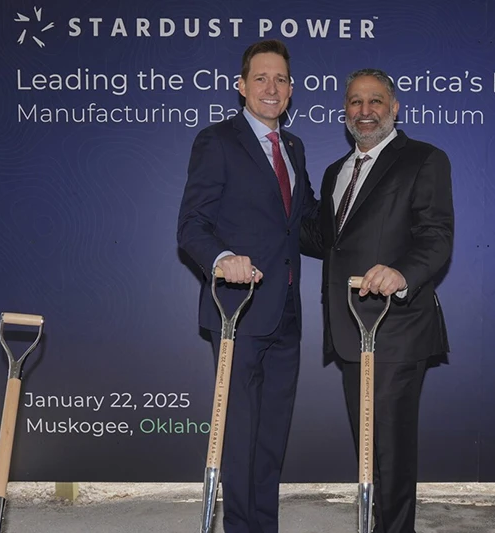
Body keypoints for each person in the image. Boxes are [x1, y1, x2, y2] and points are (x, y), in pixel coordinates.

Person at [301, 68, 454, 533]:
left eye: (375, 101)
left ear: (394, 107)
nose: (364, 111)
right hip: (351, 327)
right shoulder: (335, 171)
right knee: (369, 450)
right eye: (355, 102)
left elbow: (436, 236)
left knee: (390, 451)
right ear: (344, 110)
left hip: (397, 326)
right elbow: (323, 239)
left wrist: (402, 273)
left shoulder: (424, 159)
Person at [177, 39, 316, 533]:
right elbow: (192, 226)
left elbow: (306, 224)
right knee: (240, 435)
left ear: (291, 89)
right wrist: (223, 260)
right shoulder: (217, 141)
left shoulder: (294, 148)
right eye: (260, 78)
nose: (271, 87)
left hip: (287, 313)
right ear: (241, 86)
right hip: (238, 310)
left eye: (280, 79)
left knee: (272, 437)